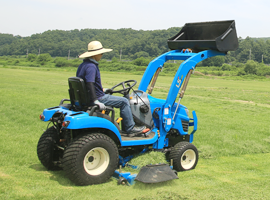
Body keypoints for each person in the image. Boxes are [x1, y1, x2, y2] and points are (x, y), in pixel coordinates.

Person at [77, 41, 147, 136]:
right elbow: (89, 84)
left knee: (116, 99)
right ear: (95, 54)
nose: (102, 55)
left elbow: (86, 84)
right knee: (124, 102)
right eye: (101, 53)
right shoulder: (91, 67)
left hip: (90, 96)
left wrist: (103, 89)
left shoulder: (83, 65)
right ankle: (130, 128)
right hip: (97, 98)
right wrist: (96, 101)